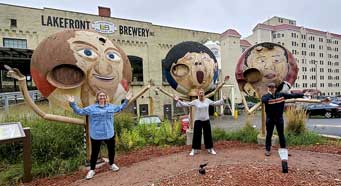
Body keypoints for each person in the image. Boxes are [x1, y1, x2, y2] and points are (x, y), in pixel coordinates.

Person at [67, 90, 132, 180]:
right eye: (100, 96)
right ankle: (92, 170)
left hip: (109, 133)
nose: (102, 97)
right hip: (96, 134)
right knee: (94, 153)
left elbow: (120, 108)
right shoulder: (92, 108)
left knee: (111, 150)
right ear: (97, 98)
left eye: (103, 96)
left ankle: (112, 164)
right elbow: (80, 112)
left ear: (106, 97)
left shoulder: (111, 107)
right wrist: (72, 103)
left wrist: (127, 100)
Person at [174, 88, 226, 156]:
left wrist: (223, 99)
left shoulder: (207, 100)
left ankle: (210, 149)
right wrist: (178, 100)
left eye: (202, 92)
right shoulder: (195, 101)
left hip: (206, 120)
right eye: (200, 93)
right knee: (196, 135)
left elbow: (215, 103)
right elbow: (186, 104)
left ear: (204, 93)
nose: (201, 94)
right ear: (198, 94)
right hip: (198, 121)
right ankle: (194, 150)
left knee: (208, 135)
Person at [261, 82, 306, 156]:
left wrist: (302, 94)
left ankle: (284, 150)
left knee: (281, 135)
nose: (271, 89)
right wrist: (270, 94)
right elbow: (264, 100)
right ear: (268, 88)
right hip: (270, 119)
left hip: (279, 119)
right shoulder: (266, 96)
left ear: (275, 88)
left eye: (273, 87)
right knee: (269, 134)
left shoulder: (281, 95)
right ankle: (267, 150)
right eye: (270, 88)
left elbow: (292, 95)